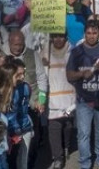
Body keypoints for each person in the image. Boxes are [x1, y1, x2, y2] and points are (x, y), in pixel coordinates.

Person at [65, 19, 99, 169]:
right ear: (84, 34)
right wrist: (81, 74)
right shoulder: (76, 52)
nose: (91, 36)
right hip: (83, 101)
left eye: (95, 33)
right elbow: (69, 75)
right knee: (83, 134)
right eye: (88, 33)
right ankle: (85, 161)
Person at [37, 32, 74, 169]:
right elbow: (40, 75)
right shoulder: (45, 52)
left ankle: (66, 146)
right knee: (54, 128)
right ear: (51, 38)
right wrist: (44, 64)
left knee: (68, 127)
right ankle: (57, 158)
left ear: (66, 37)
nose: (58, 39)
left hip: (69, 100)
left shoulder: (73, 52)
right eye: (55, 36)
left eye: (61, 36)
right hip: (52, 100)